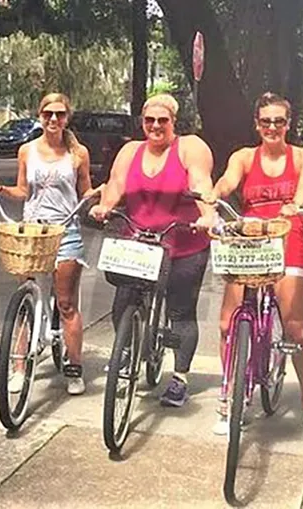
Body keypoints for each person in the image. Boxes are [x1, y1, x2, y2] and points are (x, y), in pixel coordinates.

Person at [205, 92, 303, 437]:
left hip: (289, 236)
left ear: (288, 124)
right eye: (266, 121)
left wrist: (295, 204)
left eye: (279, 121)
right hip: (251, 238)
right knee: (228, 324)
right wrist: (217, 194)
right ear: (256, 124)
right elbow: (228, 180)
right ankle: (229, 395)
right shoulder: (245, 157)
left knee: (296, 330)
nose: (272, 127)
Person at [89, 93, 215, 407]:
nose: (155, 126)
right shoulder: (131, 150)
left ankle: (180, 377)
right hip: (139, 240)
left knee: (181, 311)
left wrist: (207, 215)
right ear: (142, 122)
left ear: (174, 122)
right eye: (149, 120)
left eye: (162, 120)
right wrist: (104, 207)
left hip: (183, 241)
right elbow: (116, 184)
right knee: (123, 301)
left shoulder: (190, 147)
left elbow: (200, 182)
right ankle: (127, 351)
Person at [0, 93, 99, 396]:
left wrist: (97, 198)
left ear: (67, 118)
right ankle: (19, 366)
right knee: (24, 299)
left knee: (65, 303)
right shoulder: (27, 150)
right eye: (48, 113)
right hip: (31, 234)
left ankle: (74, 367)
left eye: (60, 114)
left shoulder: (78, 154)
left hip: (66, 232)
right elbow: (23, 190)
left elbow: (85, 190)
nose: (53, 119)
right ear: (40, 116)